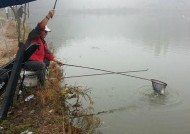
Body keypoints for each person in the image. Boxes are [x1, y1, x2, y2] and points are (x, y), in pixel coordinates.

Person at [24, 9, 63, 85]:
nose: (46, 33)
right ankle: (42, 85)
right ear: (41, 31)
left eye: (47, 32)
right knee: (42, 65)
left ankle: (40, 76)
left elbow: (47, 54)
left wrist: (57, 61)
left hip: (37, 62)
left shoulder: (43, 42)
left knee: (46, 61)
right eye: (45, 31)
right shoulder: (33, 36)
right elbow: (40, 26)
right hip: (27, 61)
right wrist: (48, 16)